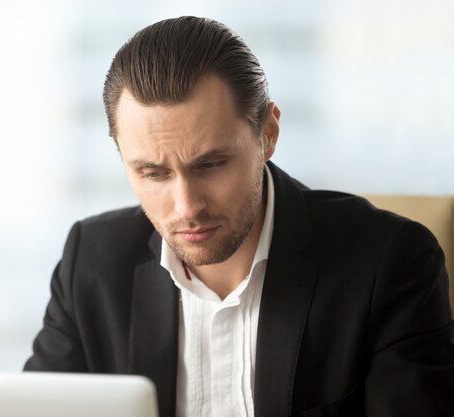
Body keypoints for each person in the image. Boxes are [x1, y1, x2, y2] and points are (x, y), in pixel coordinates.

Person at [24, 16, 454, 417]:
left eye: (210, 165)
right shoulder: (91, 264)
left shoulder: (389, 264)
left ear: (268, 135)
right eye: (153, 173)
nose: (187, 207)